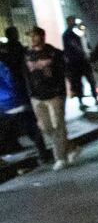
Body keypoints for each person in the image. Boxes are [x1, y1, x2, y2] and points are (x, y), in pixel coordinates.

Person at [24, 28, 74, 170]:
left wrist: (69, 88)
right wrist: (30, 93)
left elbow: (66, 71)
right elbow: (26, 76)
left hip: (54, 95)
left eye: (35, 36)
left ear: (42, 36)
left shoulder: (54, 53)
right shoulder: (27, 55)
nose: (32, 39)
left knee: (58, 125)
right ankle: (70, 147)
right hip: (36, 97)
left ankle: (60, 157)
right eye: (30, 36)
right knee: (45, 127)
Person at [0, 25, 46, 155]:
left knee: (24, 124)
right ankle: (40, 150)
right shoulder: (19, 52)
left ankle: (39, 150)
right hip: (16, 97)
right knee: (28, 123)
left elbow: (11, 78)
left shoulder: (6, 55)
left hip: (10, 99)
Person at [0, 52, 50, 165]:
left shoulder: (1, 65)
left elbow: (11, 79)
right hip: (8, 102)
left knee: (29, 127)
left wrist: (13, 93)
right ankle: (42, 152)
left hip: (12, 101)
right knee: (28, 127)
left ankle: (43, 153)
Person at [62, 16, 98, 111]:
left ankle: (94, 98)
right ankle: (82, 101)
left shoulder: (76, 32)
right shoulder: (68, 34)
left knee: (90, 80)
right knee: (79, 83)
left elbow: (84, 45)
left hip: (82, 61)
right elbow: (75, 47)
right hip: (76, 62)